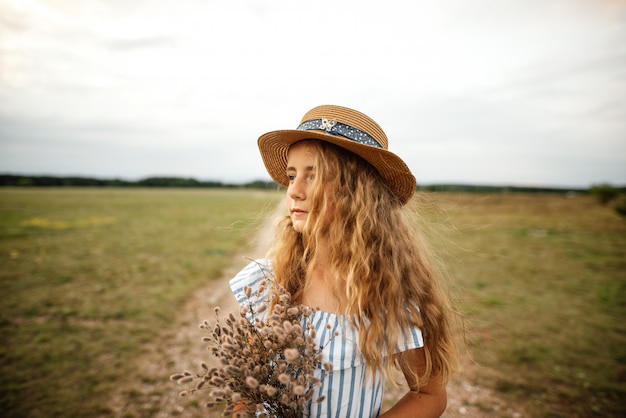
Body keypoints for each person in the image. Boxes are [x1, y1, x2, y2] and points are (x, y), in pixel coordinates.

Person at [230, 105, 458, 417]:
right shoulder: (271, 281)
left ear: (357, 193)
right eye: (292, 175)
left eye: (314, 176)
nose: (294, 191)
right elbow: (249, 387)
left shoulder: (386, 293)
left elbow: (429, 394)